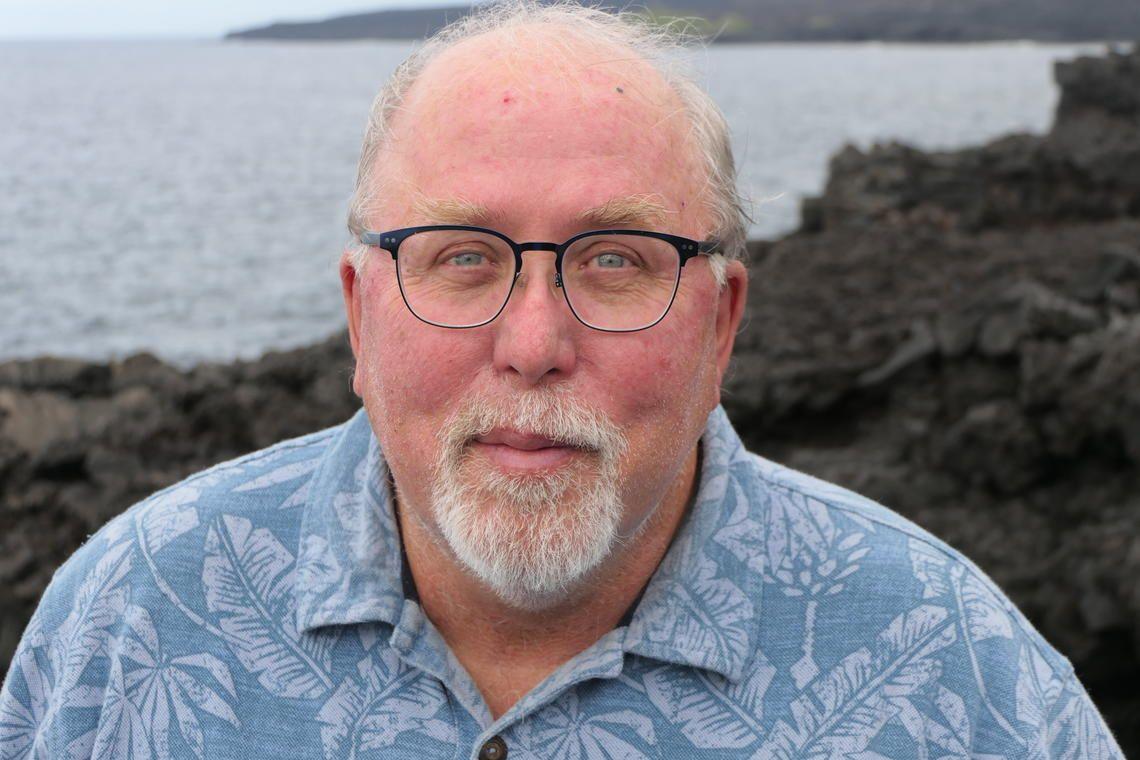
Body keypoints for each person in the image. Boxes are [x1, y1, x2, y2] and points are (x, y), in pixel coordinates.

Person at [0, 2, 1124, 758]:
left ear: (722, 323)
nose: (533, 342)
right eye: (462, 257)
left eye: (616, 261)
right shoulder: (132, 619)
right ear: (359, 313)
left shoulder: (958, 674)